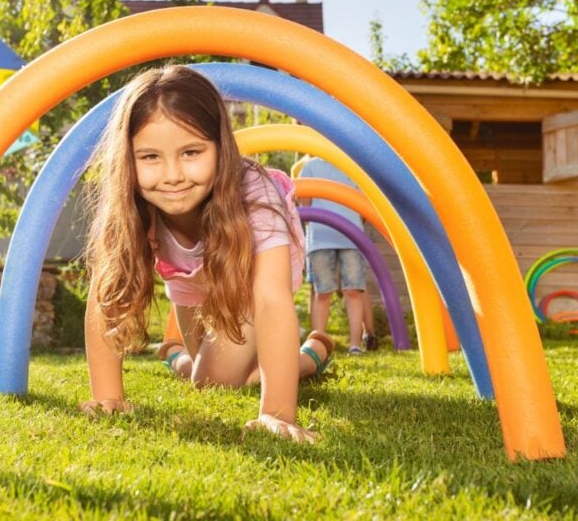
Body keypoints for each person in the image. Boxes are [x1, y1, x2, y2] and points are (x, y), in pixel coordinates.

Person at [80, 65, 334, 443]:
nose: (172, 175)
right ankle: (179, 354)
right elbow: (108, 295)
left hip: (251, 277)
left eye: (191, 152)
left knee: (213, 380)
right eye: (150, 157)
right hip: (191, 280)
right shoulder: (132, 202)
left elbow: (270, 299)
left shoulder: (253, 194)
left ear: (221, 146)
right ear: (127, 159)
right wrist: (108, 397)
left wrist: (276, 413)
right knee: (208, 375)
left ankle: (314, 351)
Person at [296, 156, 377, 354]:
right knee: (323, 293)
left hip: (351, 236)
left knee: (353, 290)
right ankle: (316, 346)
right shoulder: (310, 167)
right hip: (321, 237)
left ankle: (355, 345)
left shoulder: (353, 166)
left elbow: (365, 204)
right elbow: (304, 204)